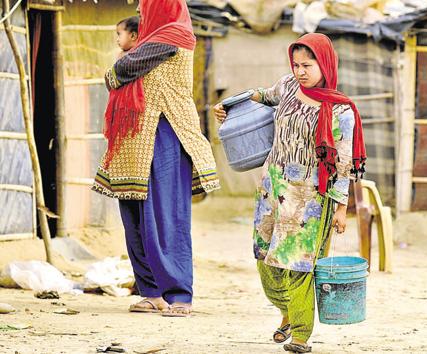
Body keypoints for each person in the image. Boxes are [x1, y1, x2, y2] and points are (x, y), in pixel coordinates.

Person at [214, 33, 366, 353]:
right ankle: (285, 312)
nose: (300, 71)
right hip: (273, 185)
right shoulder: (287, 86)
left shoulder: (341, 111)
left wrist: (340, 209)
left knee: (296, 263)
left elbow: (343, 165)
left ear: (324, 64)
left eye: (307, 65)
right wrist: (229, 106)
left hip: (308, 195)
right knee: (264, 256)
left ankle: (300, 334)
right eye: (296, 64)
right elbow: (263, 95)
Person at [92, 0, 220, 317]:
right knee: (134, 217)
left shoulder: (172, 34)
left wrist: (113, 72)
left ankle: (179, 295)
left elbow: (122, 70)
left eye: (144, 6)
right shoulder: (155, 37)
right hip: (134, 141)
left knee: (165, 216)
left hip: (166, 133)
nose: (139, 11)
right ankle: (151, 292)